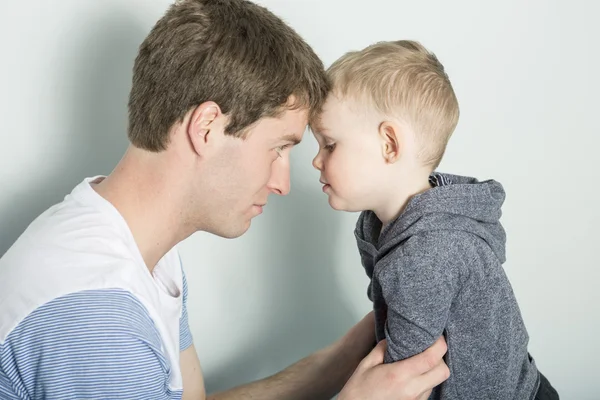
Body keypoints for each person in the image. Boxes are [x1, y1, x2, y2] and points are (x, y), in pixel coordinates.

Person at [0, 2, 449, 399]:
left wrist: (347, 355)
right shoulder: (97, 320)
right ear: (207, 127)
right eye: (278, 149)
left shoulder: (138, 253)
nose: (283, 183)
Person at [310, 39, 559, 399]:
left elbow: (408, 380)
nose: (316, 160)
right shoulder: (380, 223)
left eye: (329, 144)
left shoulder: (426, 253)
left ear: (389, 145)